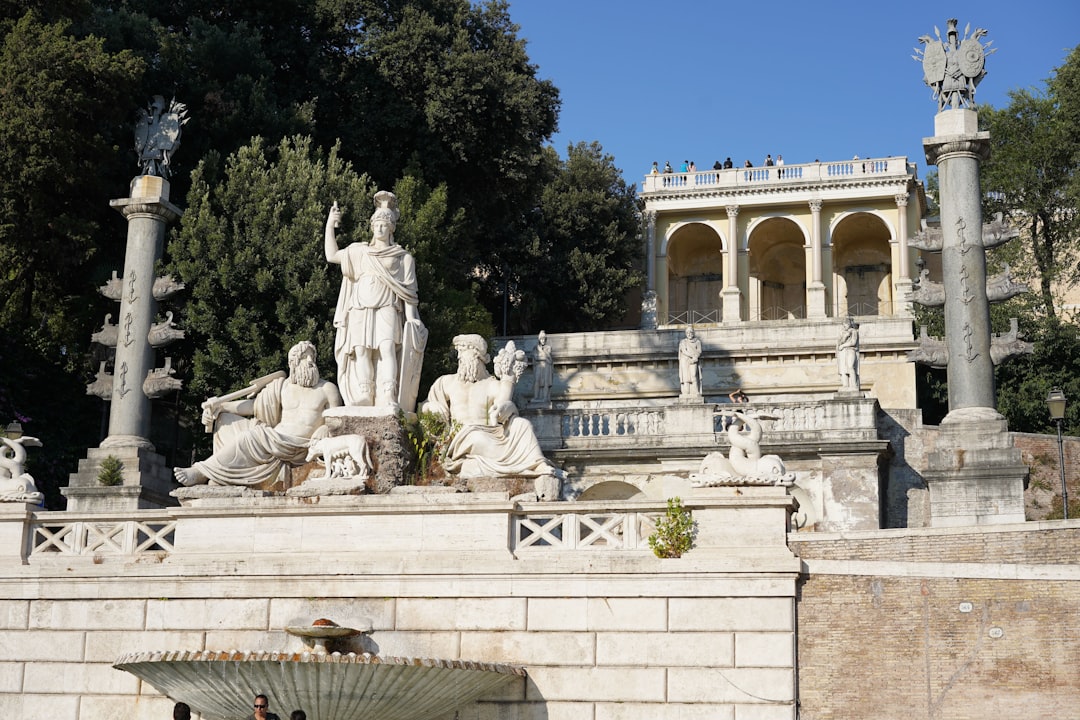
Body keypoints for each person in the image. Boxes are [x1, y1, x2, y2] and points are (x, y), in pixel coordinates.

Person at [173, 341, 342, 487]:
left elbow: (339, 420)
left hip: (298, 445)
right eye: (305, 357)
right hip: (274, 436)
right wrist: (221, 407)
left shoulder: (327, 389)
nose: (311, 361)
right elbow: (256, 407)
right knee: (225, 420)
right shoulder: (282, 386)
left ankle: (201, 471)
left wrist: (326, 429)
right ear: (293, 363)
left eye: (313, 356)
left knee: (250, 437)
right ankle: (222, 476)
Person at [325, 191, 426, 410]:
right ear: (371, 227)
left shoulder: (403, 257)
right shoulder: (359, 251)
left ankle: (387, 393)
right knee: (361, 351)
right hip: (360, 306)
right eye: (376, 224)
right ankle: (365, 394)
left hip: (387, 305)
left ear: (391, 228)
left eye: (384, 225)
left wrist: (411, 318)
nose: (379, 228)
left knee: (387, 348)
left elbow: (408, 292)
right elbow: (331, 255)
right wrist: (330, 225)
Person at [422, 335, 560, 479]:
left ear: (479, 357)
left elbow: (503, 406)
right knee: (476, 437)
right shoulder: (446, 382)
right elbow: (425, 406)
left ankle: (536, 464)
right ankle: (519, 466)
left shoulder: (491, 384)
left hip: (492, 433)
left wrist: (508, 390)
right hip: (463, 438)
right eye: (460, 355)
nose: (460, 358)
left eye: (464, 353)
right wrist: (432, 407)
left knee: (522, 424)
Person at [678, 326, 703, 398]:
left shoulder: (697, 342)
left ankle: (695, 391)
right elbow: (684, 351)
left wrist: (695, 357)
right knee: (685, 377)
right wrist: (693, 356)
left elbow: (699, 351)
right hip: (685, 360)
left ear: (693, 333)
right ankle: (686, 392)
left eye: (691, 332)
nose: (689, 334)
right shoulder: (683, 342)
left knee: (693, 375)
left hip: (693, 360)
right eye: (687, 332)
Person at [837, 317, 860, 391]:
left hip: (851, 350)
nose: (844, 326)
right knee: (843, 369)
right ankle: (845, 385)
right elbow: (839, 343)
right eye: (843, 325)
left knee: (850, 366)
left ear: (849, 324)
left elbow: (853, 342)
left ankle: (853, 385)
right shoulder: (842, 333)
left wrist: (843, 345)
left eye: (846, 324)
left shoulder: (854, 331)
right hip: (843, 352)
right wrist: (844, 337)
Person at [532, 330, 553, 402]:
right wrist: (544, 357)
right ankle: (536, 397)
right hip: (539, 366)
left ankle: (545, 398)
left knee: (546, 382)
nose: (543, 340)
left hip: (546, 366)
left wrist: (541, 352)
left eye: (544, 339)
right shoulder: (535, 348)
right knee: (537, 381)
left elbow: (548, 356)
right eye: (541, 339)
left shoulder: (548, 347)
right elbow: (536, 358)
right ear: (539, 339)